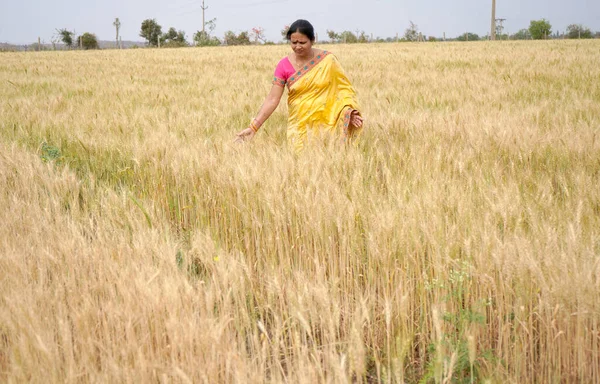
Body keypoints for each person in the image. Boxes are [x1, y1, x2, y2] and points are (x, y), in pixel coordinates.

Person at [235, 19, 364, 152]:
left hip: (327, 125)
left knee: (329, 159)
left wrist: (348, 111)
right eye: (293, 42)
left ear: (312, 40)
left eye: (302, 42)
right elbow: (273, 99)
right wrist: (254, 127)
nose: (297, 46)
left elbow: (343, 90)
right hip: (299, 128)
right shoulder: (283, 65)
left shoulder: (328, 60)